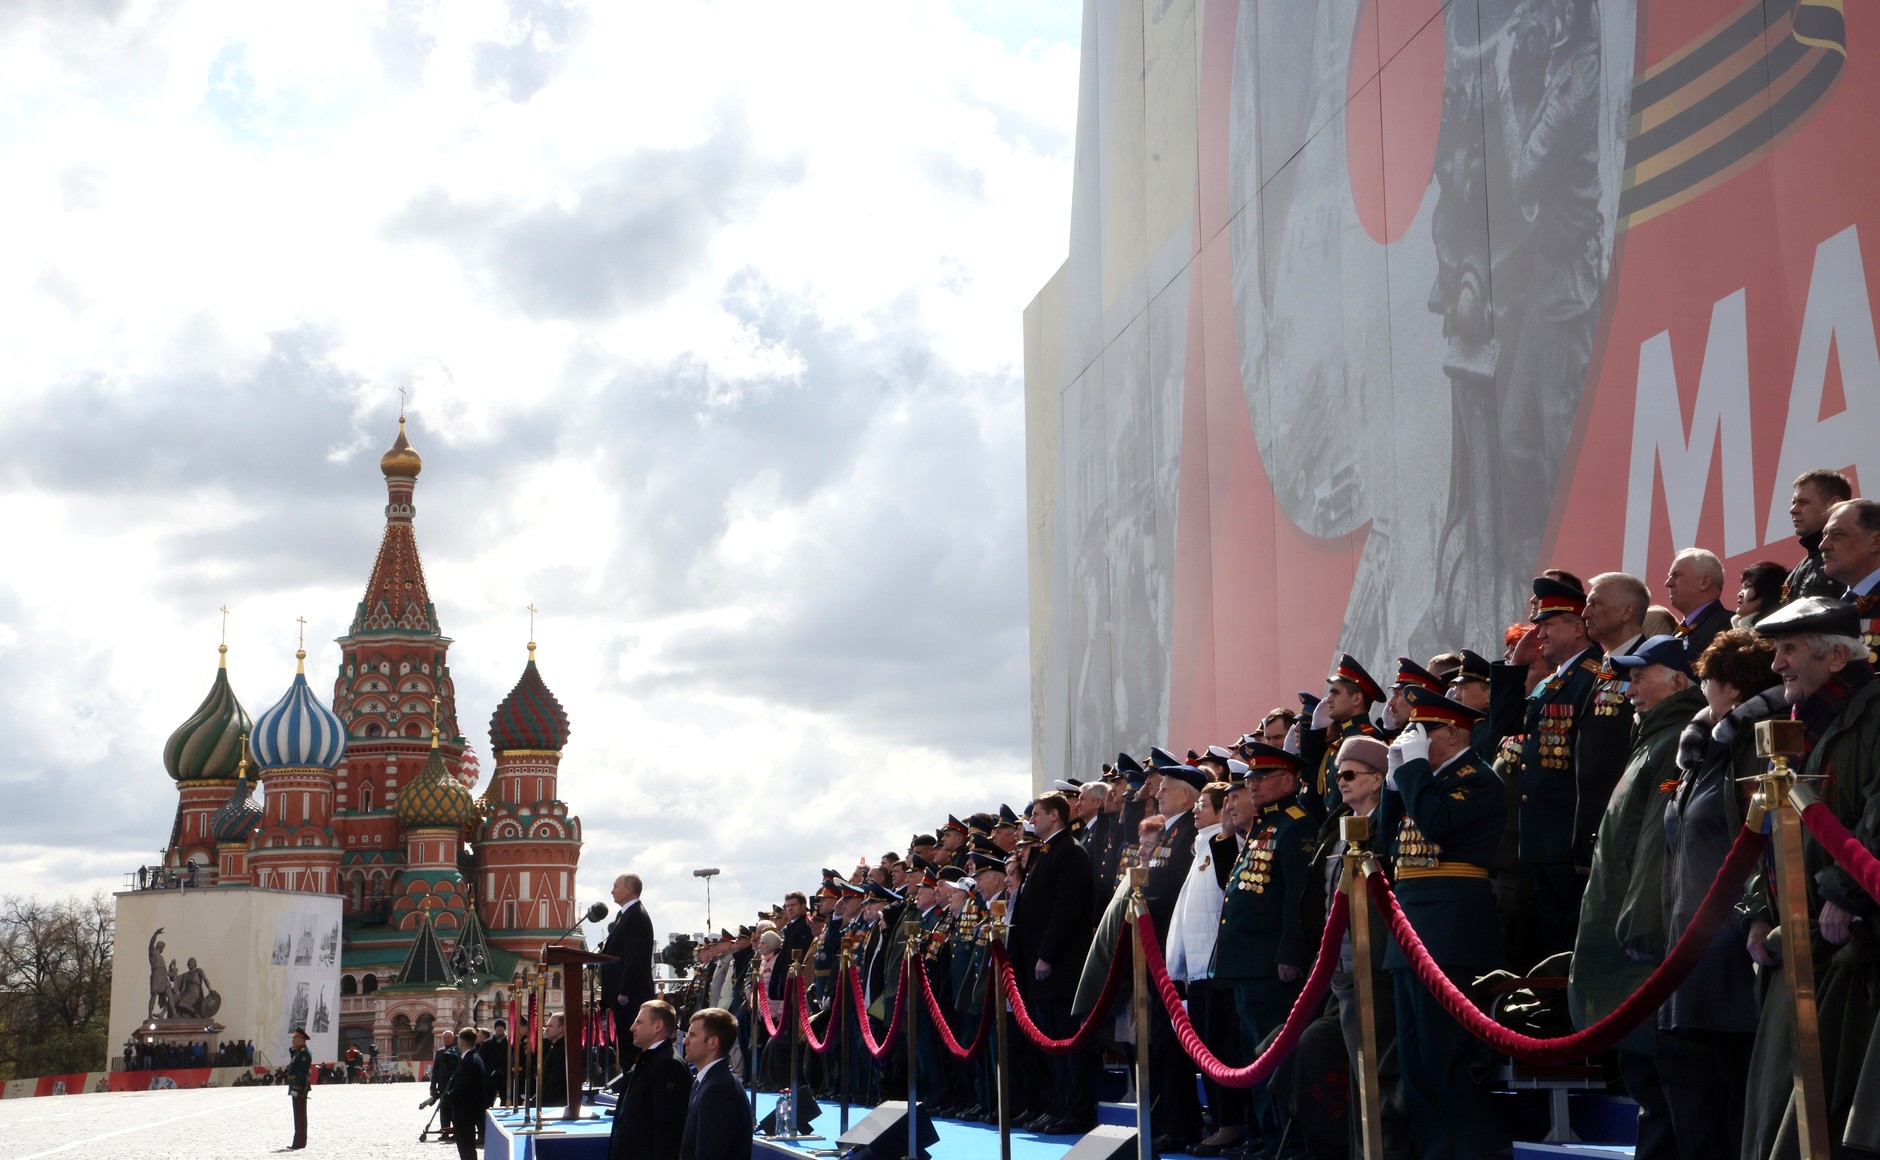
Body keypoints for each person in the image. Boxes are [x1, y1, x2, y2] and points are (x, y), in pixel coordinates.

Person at [1742, 597, 1880, 1156]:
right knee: (1776, 1115)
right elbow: (1772, 832)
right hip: (1793, 945)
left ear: (1838, 659)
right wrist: (1755, 910)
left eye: (1790, 649)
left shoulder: (1874, 716)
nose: (1777, 665)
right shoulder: (1799, 726)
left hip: (1849, 953)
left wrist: (1845, 896)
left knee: (1821, 1123)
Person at [1569, 635, 1707, 1160]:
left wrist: (1640, 932)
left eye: (1639, 676)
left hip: (1645, 956)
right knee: (1651, 1095)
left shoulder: (1674, 739)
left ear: (1676, 679)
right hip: (1630, 952)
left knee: (1670, 1099)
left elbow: (1656, 849)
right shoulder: (1654, 736)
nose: (1628, 689)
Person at [1660, 628, 1780, 1157]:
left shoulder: (1753, 750)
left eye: (1707, 679)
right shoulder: (1701, 753)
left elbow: (1765, 845)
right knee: (1696, 1111)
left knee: (1735, 1110)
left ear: (1731, 689)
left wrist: (1754, 915)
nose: (1701, 689)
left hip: (1735, 957)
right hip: (1688, 954)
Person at [1380, 684, 1507, 1160]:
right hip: (1412, 929)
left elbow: (1436, 825)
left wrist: (1413, 772)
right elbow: (1387, 841)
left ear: (1452, 734)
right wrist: (1396, 781)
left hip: (1452, 931)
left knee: (1447, 1057)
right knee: (1415, 1062)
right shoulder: (1423, 781)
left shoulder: (1477, 779)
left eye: (1423, 732)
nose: (1414, 742)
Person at [1211, 742, 1318, 1158]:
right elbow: (1236, 886)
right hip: (1248, 963)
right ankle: (1267, 1137)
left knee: (1275, 1054)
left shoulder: (1296, 825)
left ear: (1288, 781)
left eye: (1261, 778)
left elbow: (1298, 897)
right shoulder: (1265, 825)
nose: (1251, 785)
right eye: (1249, 779)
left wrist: (1291, 951)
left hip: (1272, 962)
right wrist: (1223, 837)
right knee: (1253, 1055)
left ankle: (1287, 1141)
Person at [1489, 575, 1604, 956]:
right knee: (1554, 939)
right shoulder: (1555, 682)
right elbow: (1505, 731)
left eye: (1549, 624)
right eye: (1538, 624)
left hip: (1568, 834)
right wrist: (1515, 665)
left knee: (1573, 937)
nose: (1540, 633)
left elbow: (1592, 766)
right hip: (1540, 835)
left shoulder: (1592, 676)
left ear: (1577, 626)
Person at [1009, 789, 1097, 1134]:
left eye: (1037, 814)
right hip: (1040, 967)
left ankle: (1077, 1110)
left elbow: (1066, 910)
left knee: (1066, 1042)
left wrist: (1046, 955)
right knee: (1049, 1043)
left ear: (1055, 816)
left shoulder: (1070, 853)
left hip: (1060, 967)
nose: (1032, 820)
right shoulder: (1048, 853)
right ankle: (1059, 1105)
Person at [611, 1000, 694, 1160]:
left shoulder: (669, 1066)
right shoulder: (647, 1062)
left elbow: (667, 1132)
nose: (632, 1027)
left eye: (639, 1022)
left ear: (657, 1026)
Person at [680, 1008, 754, 1160]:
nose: (685, 1041)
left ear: (713, 1042)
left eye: (692, 1035)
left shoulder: (719, 1090)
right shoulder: (707, 1082)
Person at [601, 873, 657, 1062]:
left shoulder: (636, 916)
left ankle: (632, 1085)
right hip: (620, 995)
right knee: (625, 1045)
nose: (612, 891)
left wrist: (624, 991)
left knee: (632, 1046)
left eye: (616, 886)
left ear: (629, 889)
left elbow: (635, 958)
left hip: (631, 997)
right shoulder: (624, 915)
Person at [1778, 467, 1853, 603]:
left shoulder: (1853, 559)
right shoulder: (1797, 571)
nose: (1792, 510)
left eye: (1803, 502)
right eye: (1793, 503)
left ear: (1834, 504)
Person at [444, 1027, 488, 1160]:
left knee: (466, 1150)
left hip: (465, 1112)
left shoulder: (470, 1060)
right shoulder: (472, 1057)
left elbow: (462, 1087)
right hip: (468, 1111)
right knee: (467, 1150)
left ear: (461, 1042)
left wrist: (448, 1096)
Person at [1732, 561, 1789, 628]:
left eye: (1746, 587)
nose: (1739, 594)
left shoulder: (1778, 632)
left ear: (1767, 592)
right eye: (1742, 589)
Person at [430, 1028, 461, 1140]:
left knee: (454, 1110)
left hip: (454, 1085)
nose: (446, 1039)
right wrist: (433, 1085)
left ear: (453, 1037)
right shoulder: (440, 1052)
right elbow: (435, 1070)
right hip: (442, 1085)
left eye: (448, 1037)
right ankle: (444, 1132)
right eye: (444, 1038)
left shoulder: (458, 1051)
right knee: (444, 1110)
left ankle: (456, 1131)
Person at [285, 1027, 312, 1150]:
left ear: (301, 1039)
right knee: (297, 1115)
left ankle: (299, 1142)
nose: (292, 1040)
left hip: (299, 1087)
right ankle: (298, 1140)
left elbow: (301, 1072)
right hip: (295, 1086)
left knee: (300, 1115)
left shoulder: (304, 1054)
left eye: (294, 1038)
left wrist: (296, 1088)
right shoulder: (299, 1052)